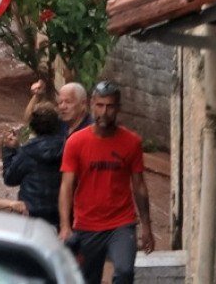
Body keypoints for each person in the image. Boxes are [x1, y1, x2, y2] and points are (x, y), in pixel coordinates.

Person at [59, 81, 154, 284]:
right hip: (86, 224)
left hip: (121, 223)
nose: (105, 112)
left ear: (118, 109)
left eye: (110, 106)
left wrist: (146, 226)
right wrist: (65, 226)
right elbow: (67, 186)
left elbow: (139, 185)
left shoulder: (131, 142)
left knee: (125, 271)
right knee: (86, 279)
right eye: (100, 105)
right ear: (92, 105)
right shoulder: (75, 142)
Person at [2, 103, 68, 224]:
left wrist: (9, 150)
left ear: (32, 127)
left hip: (31, 214)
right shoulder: (68, 147)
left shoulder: (27, 151)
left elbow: (9, 179)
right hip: (62, 215)